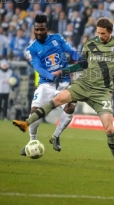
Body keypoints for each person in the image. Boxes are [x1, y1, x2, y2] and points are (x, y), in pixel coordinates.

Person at [13, 17, 114, 166]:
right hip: (83, 84)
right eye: (98, 33)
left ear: (110, 32)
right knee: (57, 100)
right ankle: (26, 123)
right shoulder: (89, 44)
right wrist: (63, 71)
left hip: (101, 92)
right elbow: (82, 65)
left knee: (109, 129)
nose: (100, 36)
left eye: (103, 33)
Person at [21, 14, 81, 156]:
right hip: (46, 84)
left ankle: (55, 136)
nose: (39, 32)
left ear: (47, 28)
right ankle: (32, 141)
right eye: (37, 29)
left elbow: (72, 52)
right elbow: (38, 67)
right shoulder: (31, 49)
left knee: (71, 106)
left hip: (64, 83)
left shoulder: (57, 38)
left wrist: (82, 59)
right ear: (33, 29)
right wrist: (51, 76)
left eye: (42, 29)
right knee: (35, 111)